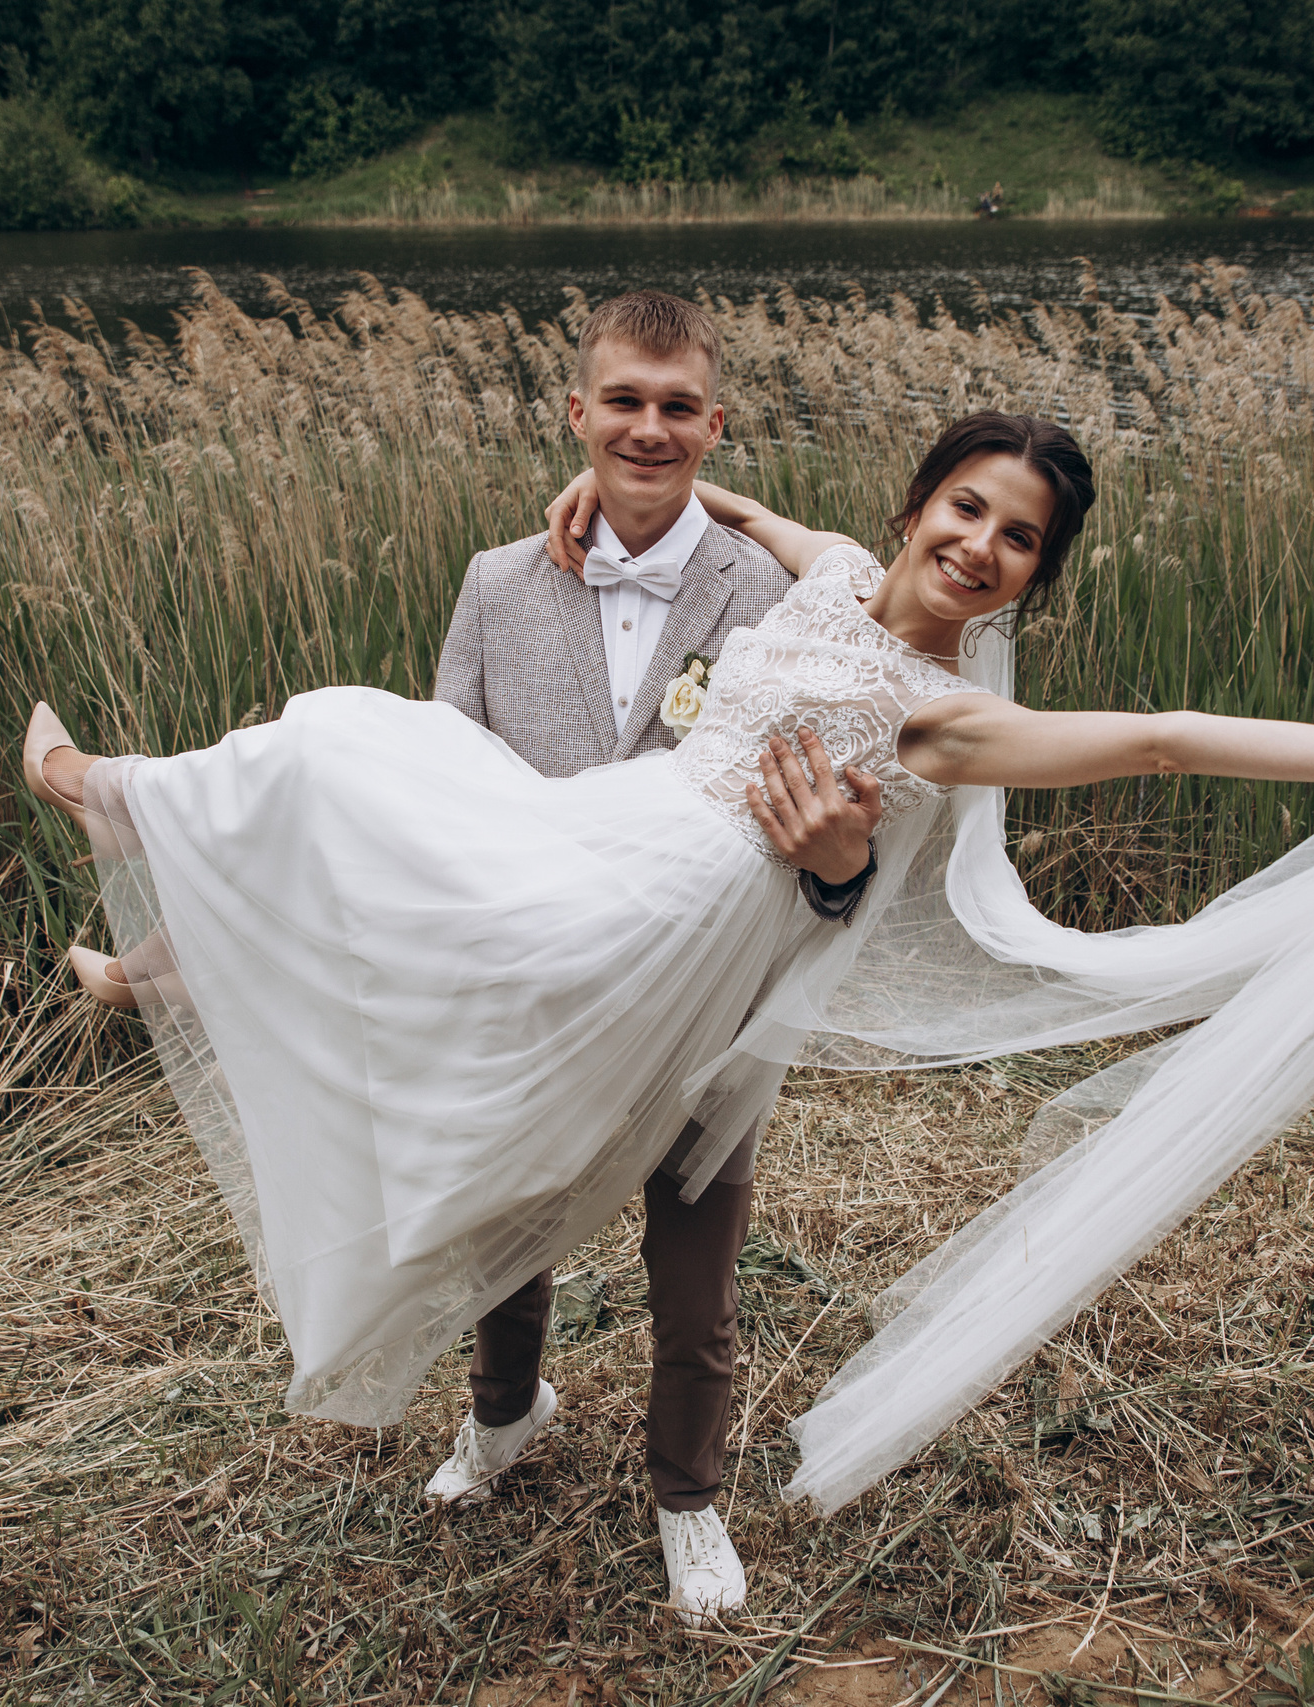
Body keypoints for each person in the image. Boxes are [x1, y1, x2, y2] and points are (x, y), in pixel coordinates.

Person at [19, 410, 1314, 1598]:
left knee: (658, 1209)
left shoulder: (950, 716)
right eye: (967, 507)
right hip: (612, 857)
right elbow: (734, 499)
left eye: (1021, 538)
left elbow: (1168, 738)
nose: (981, 544)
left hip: (694, 939)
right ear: (913, 509)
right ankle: (128, 826)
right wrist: (624, 489)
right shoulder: (830, 569)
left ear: (1037, 574)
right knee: (359, 767)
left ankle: (683, 1496)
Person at [423, 291, 885, 1622]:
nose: (648, 426)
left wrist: (836, 875)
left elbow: (829, 819)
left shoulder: (779, 596)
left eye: (678, 406)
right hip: (541, 990)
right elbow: (442, 774)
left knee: (697, 1284)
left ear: (715, 426)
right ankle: (504, 1419)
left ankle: (688, 1497)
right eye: (621, 401)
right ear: (578, 414)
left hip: (701, 1011)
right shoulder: (496, 582)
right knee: (505, 1243)